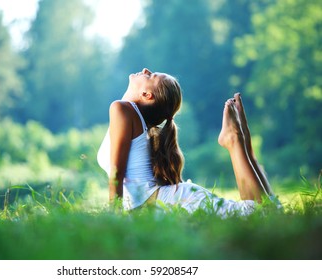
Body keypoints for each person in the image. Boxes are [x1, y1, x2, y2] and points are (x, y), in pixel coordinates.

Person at [97, 68, 278, 217]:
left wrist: (115, 215)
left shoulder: (122, 109)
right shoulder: (129, 114)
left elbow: (116, 172)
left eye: (150, 76)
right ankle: (244, 146)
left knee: (263, 214)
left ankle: (236, 139)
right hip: (168, 200)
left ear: (147, 94)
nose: (145, 70)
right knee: (270, 214)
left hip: (172, 200)